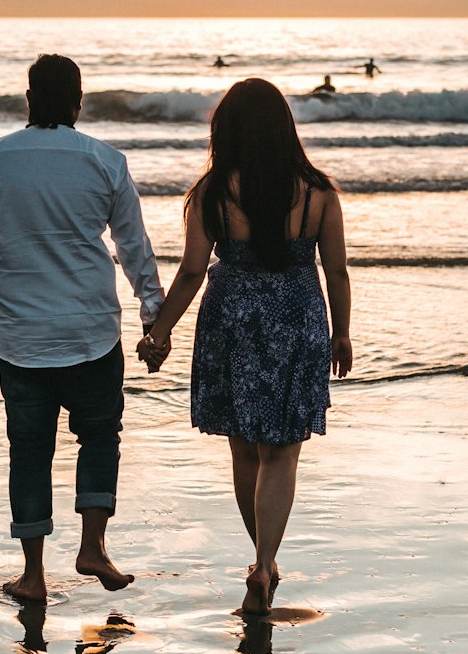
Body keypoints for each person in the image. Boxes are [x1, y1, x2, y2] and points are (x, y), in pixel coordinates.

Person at [0, 54, 165, 603]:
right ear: (78, 102)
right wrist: (152, 314)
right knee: (99, 435)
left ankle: (34, 576)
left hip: (19, 335)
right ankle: (93, 546)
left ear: (28, 99)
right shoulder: (105, 160)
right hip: (91, 328)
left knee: (29, 449)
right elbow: (133, 246)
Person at [137, 78, 352, 616]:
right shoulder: (319, 190)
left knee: (243, 448)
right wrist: (343, 333)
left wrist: (158, 332)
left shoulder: (211, 192)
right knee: (282, 451)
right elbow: (337, 270)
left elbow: (189, 272)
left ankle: (263, 564)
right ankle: (264, 563)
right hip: (299, 317)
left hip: (232, 318)